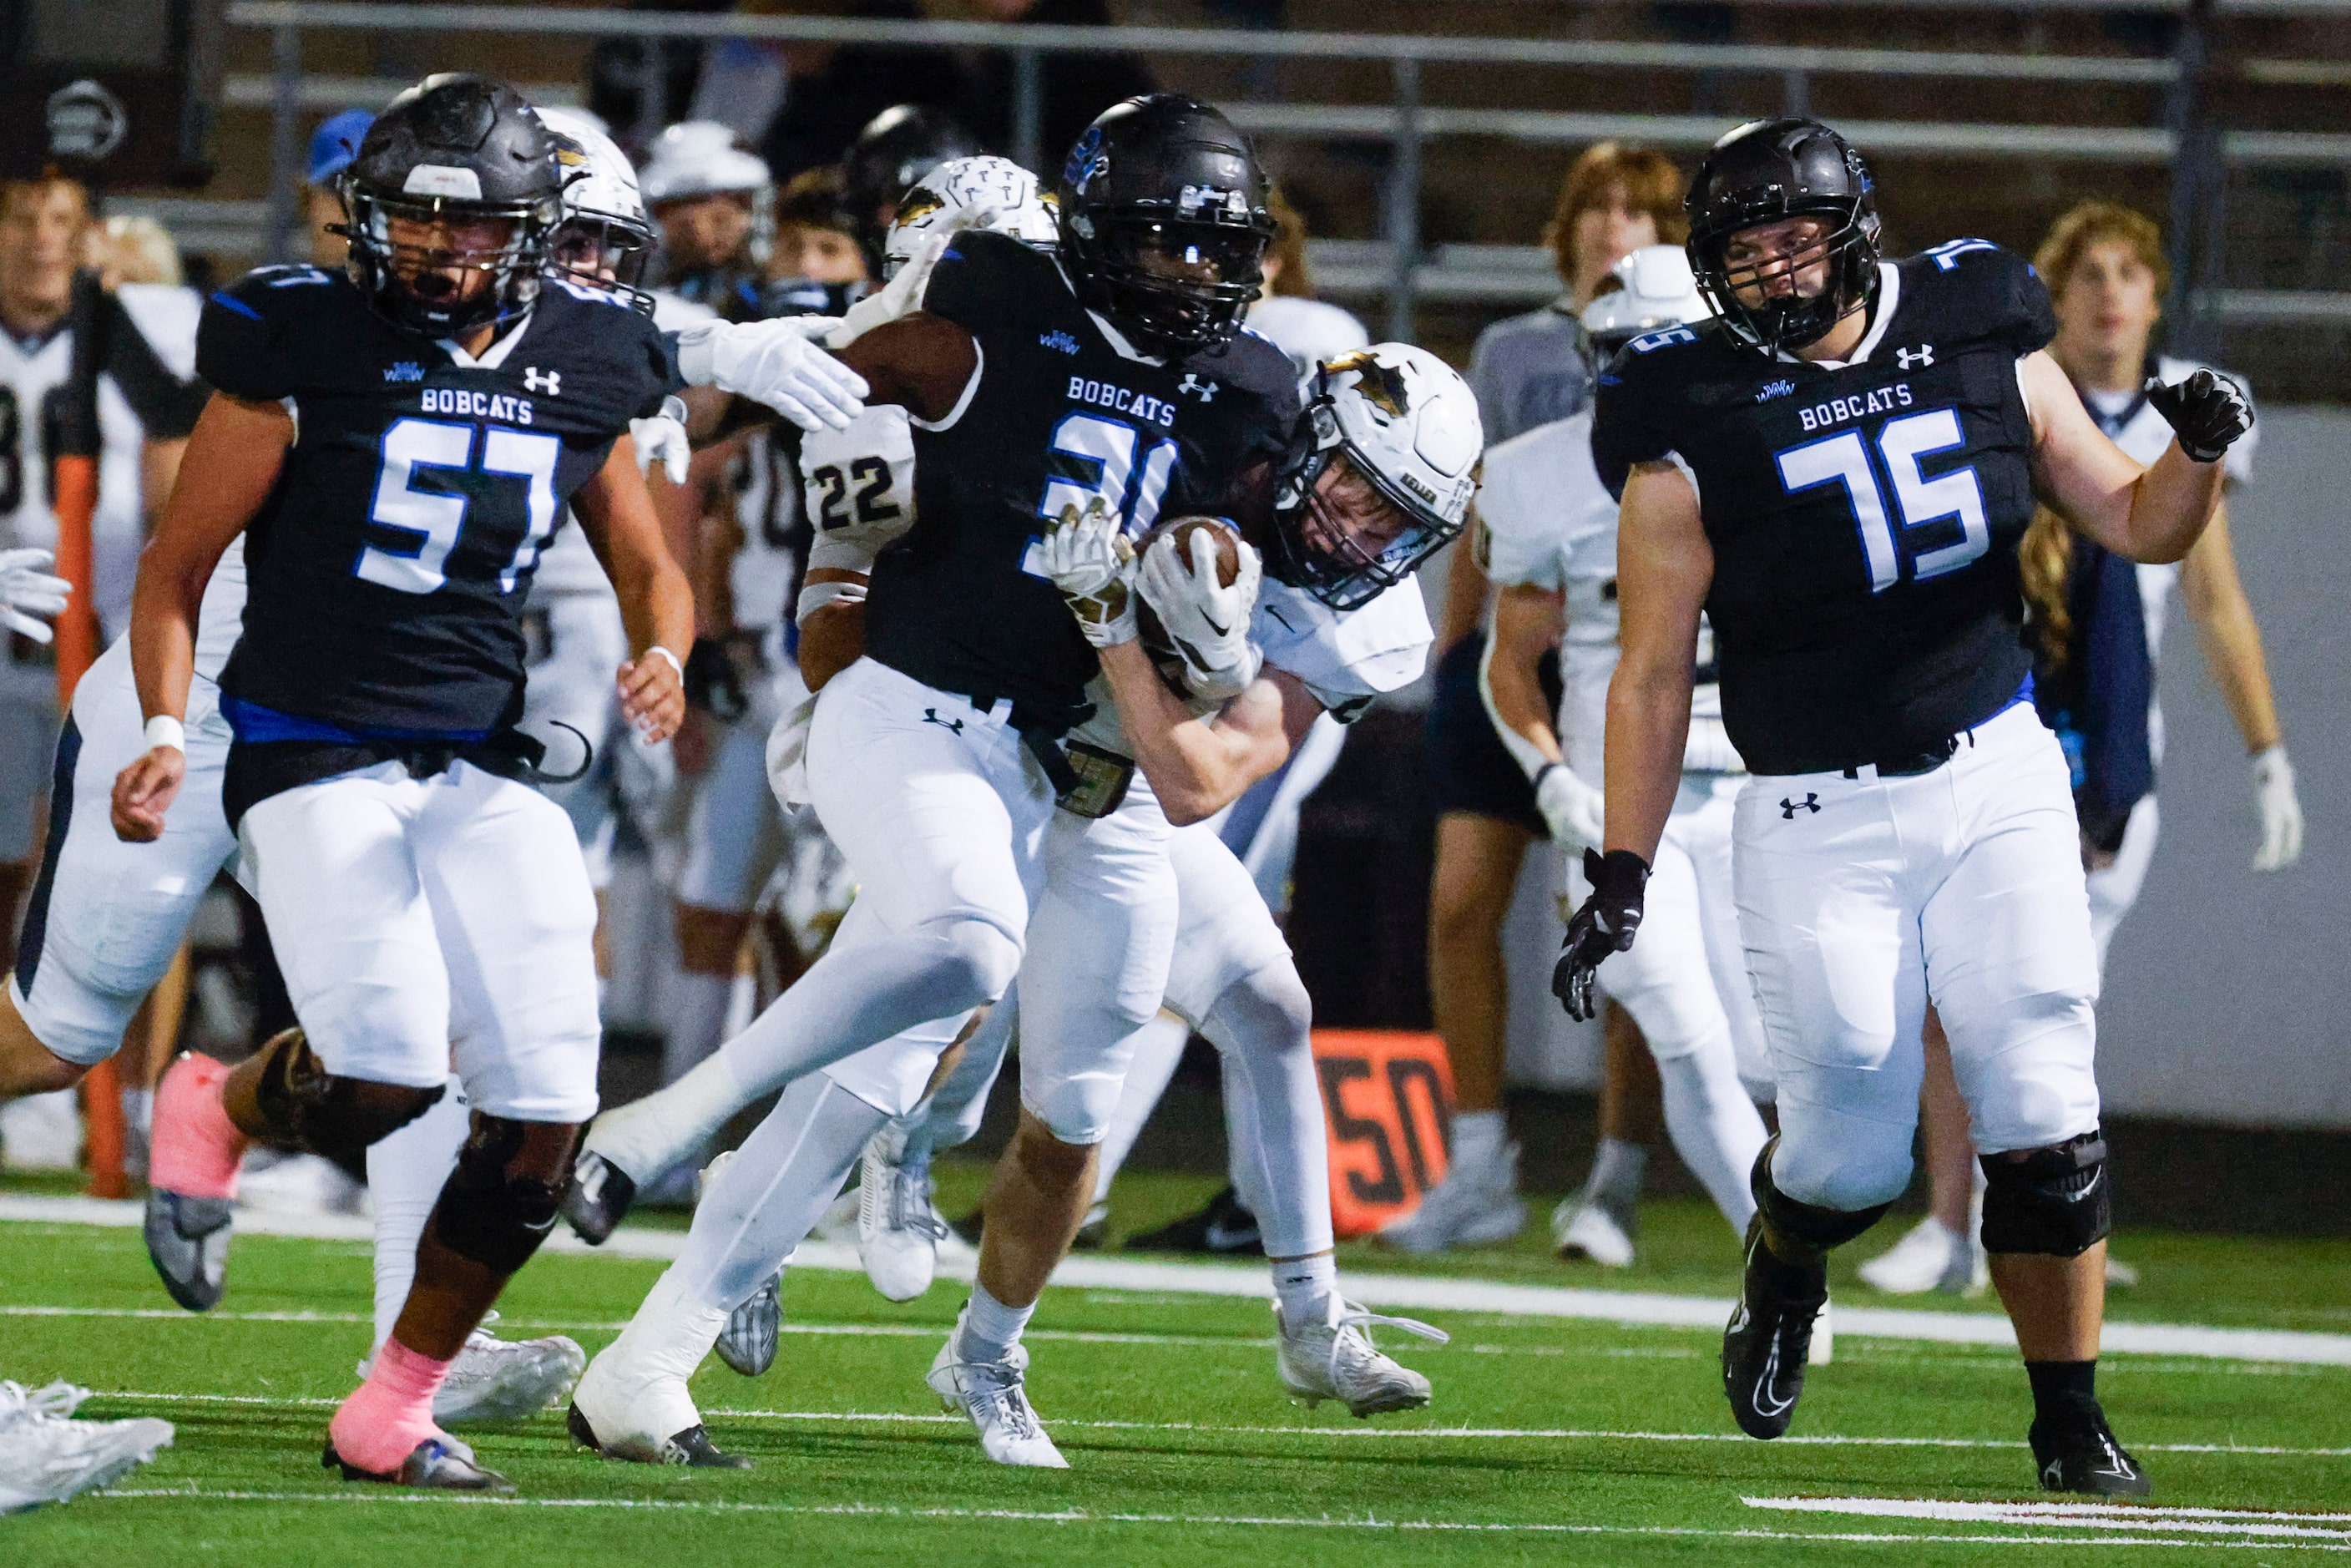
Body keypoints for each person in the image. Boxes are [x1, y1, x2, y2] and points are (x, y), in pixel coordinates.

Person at [560, 95, 1428, 1470]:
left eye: (1223, 251)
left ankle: (772, 1353)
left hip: (1097, 771)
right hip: (937, 704)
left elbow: (1206, 725)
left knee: (1072, 1105)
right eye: (1169, 245)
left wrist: (1142, 633)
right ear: (1091, 237)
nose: (1200, 278)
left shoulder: (1260, 410)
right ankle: (666, 1141)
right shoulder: (991, 311)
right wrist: (712, 380)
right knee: (951, 958)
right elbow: (808, 402)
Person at [1566, 116, 2249, 1495]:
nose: (1771, 268)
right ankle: (1785, 1265)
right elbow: (1647, 677)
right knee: (1846, 1156)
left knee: (2044, 1091)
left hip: (1995, 764)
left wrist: (2199, 452)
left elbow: (2134, 518)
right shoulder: (1684, 410)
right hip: (1815, 811)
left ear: (1854, 228)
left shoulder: (1976, 319)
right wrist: (1622, 864)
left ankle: (2068, 1414)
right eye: (1742, 248)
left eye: (1793, 235)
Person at [119, 74, 697, 1494]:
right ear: (370, 220)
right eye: (415, 223)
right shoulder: (297, 330)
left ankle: (391, 1404)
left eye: (468, 227)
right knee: (383, 1070)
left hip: (478, 755)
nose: (436, 252)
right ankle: (217, 1100)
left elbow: (642, 553)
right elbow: (176, 563)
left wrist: (665, 649)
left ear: (527, 233)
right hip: (310, 740)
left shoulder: (594, 349)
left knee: (549, 1110)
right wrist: (155, 719)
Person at [1858, 200, 2304, 1299]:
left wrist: (2267, 753)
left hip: (2104, 746)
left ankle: (2046, 1221)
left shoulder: (2183, 411)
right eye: (2087, 273)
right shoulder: (2013, 385)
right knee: (1956, 993)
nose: (2110, 293)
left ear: (2157, 294)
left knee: (2041, 1000)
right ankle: (1959, 1221)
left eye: (2129, 271)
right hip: (1989, 719)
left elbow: (2214, 595)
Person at [1464, 245, 1770, 1259]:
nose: (1651, 373)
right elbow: (1508, 662)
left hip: (1763, 795)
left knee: (1792, 1063)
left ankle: (1775, 1237)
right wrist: (1550, 778)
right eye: (1629, 352)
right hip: (1620, 801)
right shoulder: (1536, 476)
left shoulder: (1777, 448)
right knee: (1686, 1037)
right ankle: (1778, 1266)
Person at [1408, 142, 1685, 1256]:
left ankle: (1615, 1175)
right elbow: (1483, 502)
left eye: (1638, 208)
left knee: (1628, 930)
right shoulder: (1517, 349)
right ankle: (1478, 1167)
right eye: (1598, 205)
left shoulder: (1688, 341)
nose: (1613, 225)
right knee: (1462, 900)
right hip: (1512, 655)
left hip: (1633, 662)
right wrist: (1456, 642)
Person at [0, 172, 208, 1171]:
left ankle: (124, 1101)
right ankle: (34, 1081)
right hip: (9, 639)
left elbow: (181, 476)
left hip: (104, 647)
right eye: (21, 221)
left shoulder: (118, 331)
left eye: (62, 224)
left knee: (124, 876)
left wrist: (156, 611)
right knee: (13, 874)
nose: (42, 243)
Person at [640, 121, 774, 318]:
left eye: (721, 220)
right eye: (685, 226)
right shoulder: (636, 284)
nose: (704, 236)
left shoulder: (761, 295)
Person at [304, 109, 377, 269]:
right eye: (339, 189)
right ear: (309, 203)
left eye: (365, 193)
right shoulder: (279, 292)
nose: (351, 210)